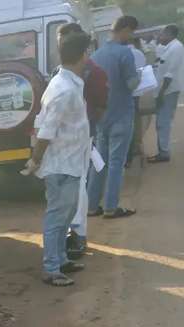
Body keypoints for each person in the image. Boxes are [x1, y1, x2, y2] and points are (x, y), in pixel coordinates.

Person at [25, 31, 93, 287]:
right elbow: (47, 130)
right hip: (60, 165)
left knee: (65, 215)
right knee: (57, 218)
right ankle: (51, 268)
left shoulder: (68, 82)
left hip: (70, 162)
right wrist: (36, 160)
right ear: (83, 54)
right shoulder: (64, 89)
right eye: (89, 51)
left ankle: (61, 259)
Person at [46, 22, 108, 257]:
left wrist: (84, 130)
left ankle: (78, 237)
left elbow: (100, 107)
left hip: (80, 140)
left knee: (78, 191)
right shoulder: (60, 73)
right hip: (60, 143)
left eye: (66, 41)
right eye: (60, 41)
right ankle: (63, 244)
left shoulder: (94, 72)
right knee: (64, 197)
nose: (62, 45)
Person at [87, 16, 141, 219]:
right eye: (132, 32)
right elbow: (131, 85)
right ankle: (111, 207)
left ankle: (92, 206)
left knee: (100, 163)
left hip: (102, 117)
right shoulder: (125, 53)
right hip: (121, 116)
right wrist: (141, 76)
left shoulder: (97, 55)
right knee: (116, 163)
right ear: (125, 29)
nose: (132, 37)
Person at [149, 25, 183, 163]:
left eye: (161, 34)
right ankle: (163, 150)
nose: (159, 37)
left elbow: (169, 75)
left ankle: (164, 153)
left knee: (163, 122)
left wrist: (161, 93)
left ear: (169, 35)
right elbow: (162, 64)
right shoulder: (169, 48)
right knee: (162, 122)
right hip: (165, 90)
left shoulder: (176, 48)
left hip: (168, 91)